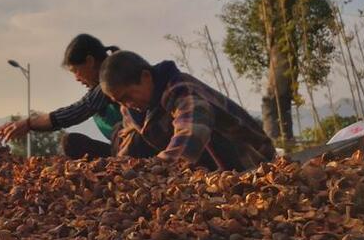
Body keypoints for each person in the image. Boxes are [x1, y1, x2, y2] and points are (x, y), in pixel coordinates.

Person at [99, 50, 275, 171]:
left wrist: (156, 169)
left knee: (200, 128)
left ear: (146, 77)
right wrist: (120, 173)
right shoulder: (133, 110)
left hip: (250, 161)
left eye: (128, 96)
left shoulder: (183, 90)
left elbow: (192, 131)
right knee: (135, 138)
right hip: (199, 165)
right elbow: (127, 146)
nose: (128, 104)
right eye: (121, 102)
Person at [0, 34, 151, 159]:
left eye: (76, 71)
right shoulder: (98, 90)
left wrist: (29, 124)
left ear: (89, 61)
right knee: (72, 143)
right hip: (123, 149)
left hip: (147, 143)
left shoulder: (114, 75)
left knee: (121, 130)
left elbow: (77, 111)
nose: (76, 78)